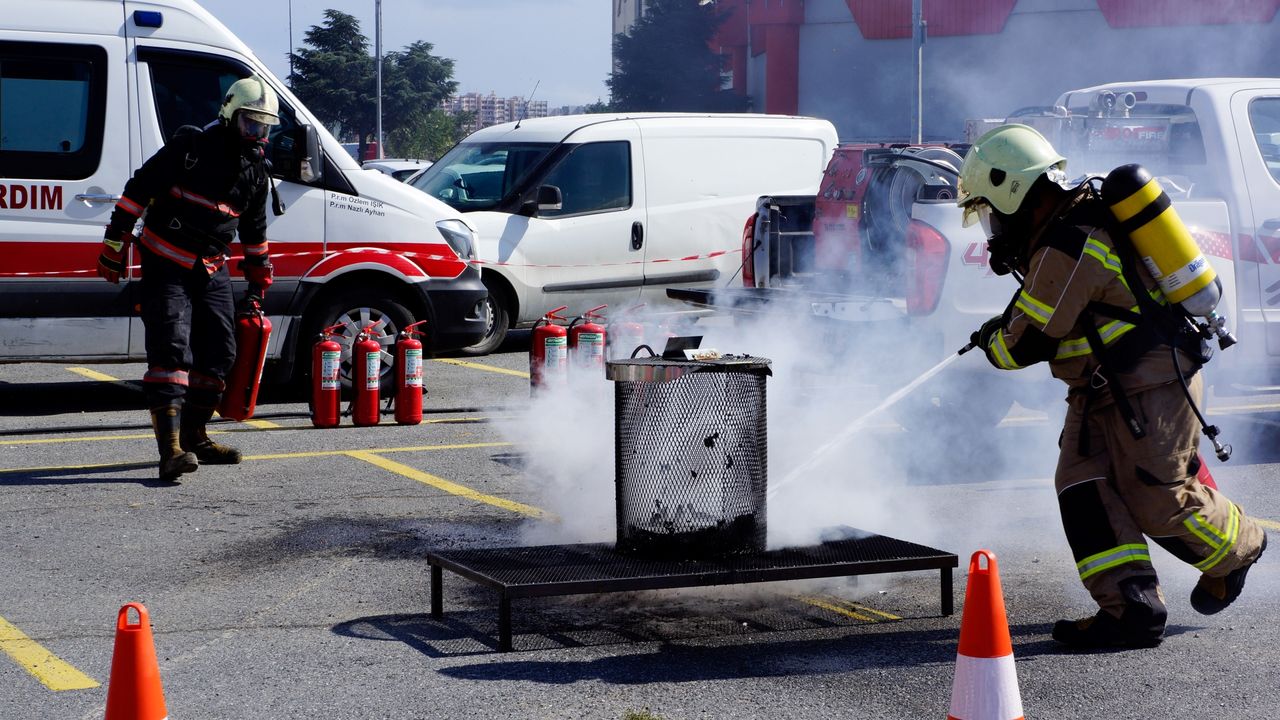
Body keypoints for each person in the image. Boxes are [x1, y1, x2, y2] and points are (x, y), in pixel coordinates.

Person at [955, 123, 1267, 649]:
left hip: (1151, 386)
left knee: (1157, 499)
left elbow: (1024, 345)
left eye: (990, 211)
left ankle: (1243, 546)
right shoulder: (1064, 231)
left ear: (1014, 193)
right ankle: (1131, 610)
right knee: (1083, 487)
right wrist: (1003, 329)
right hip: (1102, 390)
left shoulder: (1070, 242)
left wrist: (992, 340)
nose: (993, 228)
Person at [97, 75, 278, 481]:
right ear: (230, 115)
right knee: (171, 351)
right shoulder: (190, 147)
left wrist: (257, 287)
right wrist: (114, 243)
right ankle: (171, 452)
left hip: (212, 267)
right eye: (250, 123)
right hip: (166, 260)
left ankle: (196, 436)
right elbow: (138, 189)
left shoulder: (256, 171)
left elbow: (255, 232)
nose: (256, 134)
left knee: (221, 353)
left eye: (263, 127)